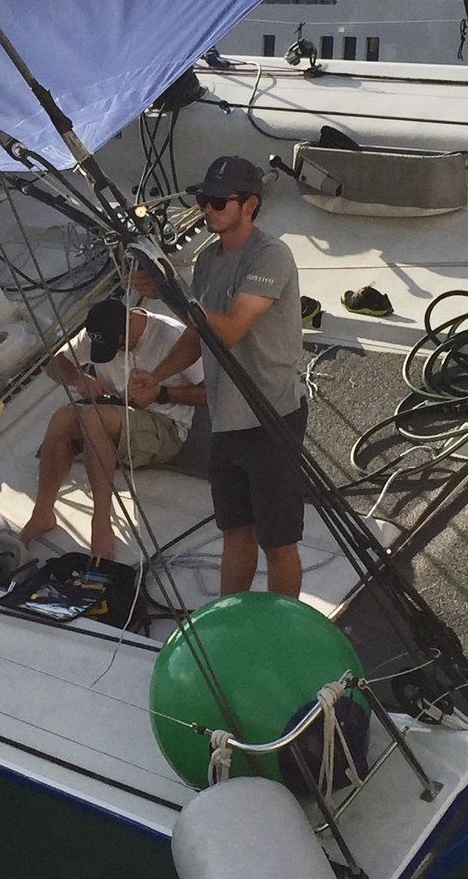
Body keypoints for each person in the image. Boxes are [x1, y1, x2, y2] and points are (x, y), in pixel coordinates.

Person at [150, 154, 309, 597]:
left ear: (250, 204)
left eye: (220, 200)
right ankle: (231, 622)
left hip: (271, 418)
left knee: (278, 543)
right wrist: (155, 377)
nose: (209, 208)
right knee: (235, 533)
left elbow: (233, 328)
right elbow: (198, 333)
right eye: (204, 199)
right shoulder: (205, 261)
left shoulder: (271, 255)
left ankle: (283, 633)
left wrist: (171, 291)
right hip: (226, 420)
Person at [21, 296, 204, 562]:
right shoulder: (100, 333)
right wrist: (79, 378)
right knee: (62, 418)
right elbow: (53, 364)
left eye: (115, 345)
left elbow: (210, 392)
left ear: (129, 322)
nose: (113, 353)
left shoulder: (172, 336)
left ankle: (101, 522)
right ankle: (42, 514)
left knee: (95, 418)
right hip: (118, 411)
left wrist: (161, 394)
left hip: (165, 426)